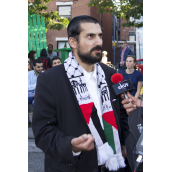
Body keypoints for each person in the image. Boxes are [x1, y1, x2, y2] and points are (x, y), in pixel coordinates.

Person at [32, 15, 130, 172]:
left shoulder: (111, 74)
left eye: (99, 35)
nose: (98, 42)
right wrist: (70, 144)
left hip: (116, 165)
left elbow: (123, 114)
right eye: (90, 36)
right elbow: (42, 130)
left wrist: (125, 144)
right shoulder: (50, 79)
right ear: (73, 42)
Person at [28, 59, 43, 127]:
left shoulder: (44, 74)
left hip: (39, 95)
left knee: (35, 103)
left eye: (41, 67)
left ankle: (37, 122)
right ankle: (28, 121)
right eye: (38, 67)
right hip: (30, 95)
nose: (40, 69)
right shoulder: (29, 74)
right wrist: (37, 85)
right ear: (34, 67)